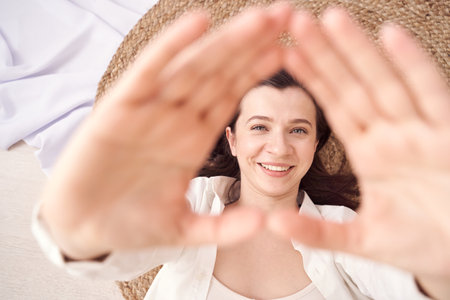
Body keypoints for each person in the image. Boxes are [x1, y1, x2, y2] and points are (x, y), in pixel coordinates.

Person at [32, 3, 450, 299]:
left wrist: (440, 269)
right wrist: (79, 232)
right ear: (232, 139)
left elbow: (414, 285)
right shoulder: (191, 206)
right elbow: (115, 248)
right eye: (259, 126)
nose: (280, 147)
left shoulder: (346, 231)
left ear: (317, 143)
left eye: (299, 129)